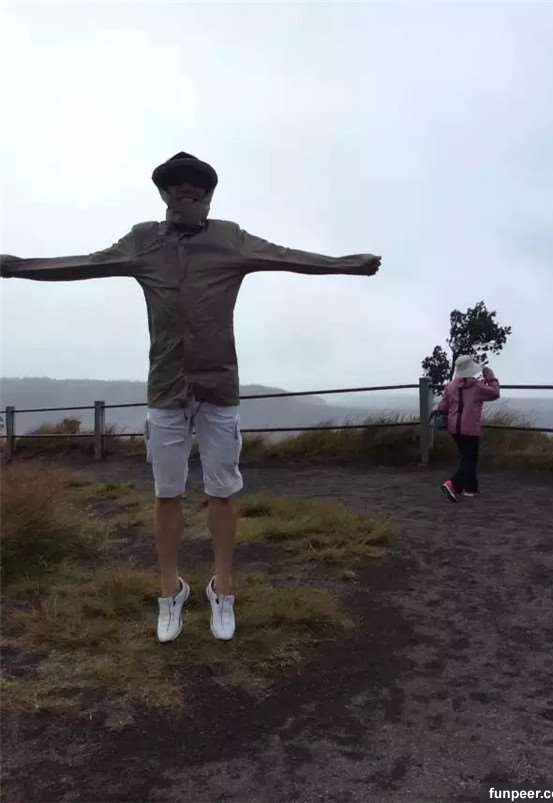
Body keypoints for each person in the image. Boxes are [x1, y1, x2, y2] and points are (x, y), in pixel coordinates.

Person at [0, 151, 381, 643]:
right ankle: (170, 591)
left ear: (208, 195)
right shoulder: (143, 241)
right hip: (166, 388)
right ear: (164, 193)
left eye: (197, 185)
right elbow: (87, 264)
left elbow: (287, 256)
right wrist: (17, 267)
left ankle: (223, 588)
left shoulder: (230, 238)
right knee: (167, 494)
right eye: (176, 184)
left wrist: (347, 265)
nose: (187, 191)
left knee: (222, 491)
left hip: (218, 387)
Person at [435, 355, 500, 503]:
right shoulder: (477, 387)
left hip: (454, 428)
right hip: (470, 428)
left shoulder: (450, 386)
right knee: (470, 459)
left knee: (467, 457)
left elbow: (442, 407)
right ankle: (452, 484)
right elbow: (495, 393)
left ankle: (470, 488)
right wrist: (490, 377)